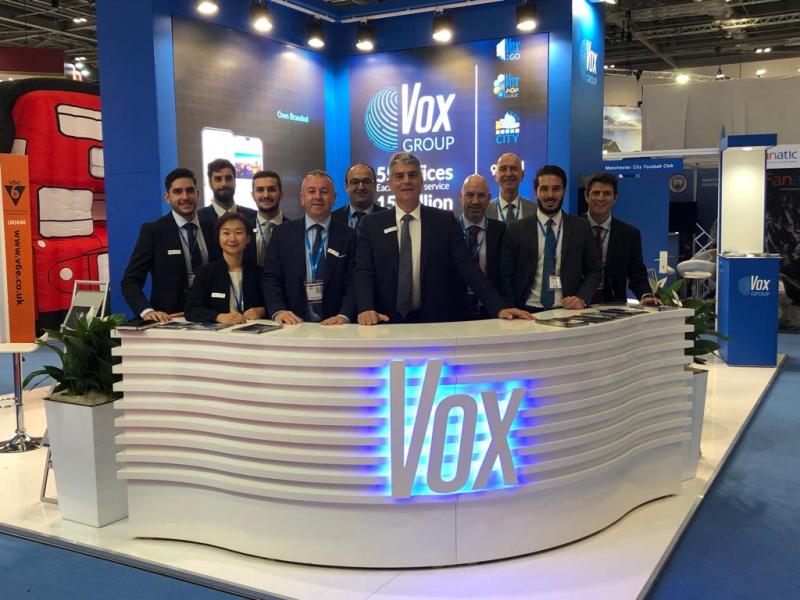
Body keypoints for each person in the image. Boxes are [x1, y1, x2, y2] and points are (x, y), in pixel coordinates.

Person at [355, 152, 532, 325]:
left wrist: (499, 307)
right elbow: (363, 271)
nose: (407, 181)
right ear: (390, 184)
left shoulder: (443, 221)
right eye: (399, 176)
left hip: (433, 324)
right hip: (385, 323)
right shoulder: (371, 225)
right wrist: (365, 307)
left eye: (412, 175)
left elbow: (468, 267)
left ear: (421, 181)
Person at [121, 167, 218, 323]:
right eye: (178, 192)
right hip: (169, 320)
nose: (185, 197)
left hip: (209, 318)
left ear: (197, 194)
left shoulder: (212, 228)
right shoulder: (154, 231)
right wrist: (147, 312)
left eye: (190, 190)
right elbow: (130, 281)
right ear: (167, 197)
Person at [500, 165, 601, 312]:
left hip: (567, 311)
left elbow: (594, 270)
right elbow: (505, 275)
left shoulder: (581, 228)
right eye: (544, 189)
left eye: (556, 189)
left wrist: (582, 298)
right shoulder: (516, 229)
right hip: (526, 312)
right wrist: (511, 308)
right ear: (535, 192)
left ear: (564, 191)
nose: (550, 195)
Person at [261, 170, 356, 325]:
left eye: (324, 191)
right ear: (302, 198)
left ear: (334, 198)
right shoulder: (282, 233)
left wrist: (344, 315)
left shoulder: (349, 235)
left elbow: (354, 280)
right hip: (292, 323)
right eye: (311, 191)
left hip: (336, 325)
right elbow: (271, 277)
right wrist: (279, 311)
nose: (317, 197)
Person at [583, 172, 658, 305]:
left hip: (613, 305)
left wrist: (646, 295)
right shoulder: (572, 228)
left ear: (615, 197)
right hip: (576, 303)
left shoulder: (629, 234)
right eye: (596, 193)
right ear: (586, 196)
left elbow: (637, 274)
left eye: (607, 193)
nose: (601, 198)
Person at [185, 212, 266, 325]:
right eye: (226, 233)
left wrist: (262, 311)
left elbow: (273, 304)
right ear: (218, 238)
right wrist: (218, 316)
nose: (232, 239)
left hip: (252, 330)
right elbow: (191, 310)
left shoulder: (259, 273)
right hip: (218, 333)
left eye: (238, 233)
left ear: (248, 238)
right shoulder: (205, 272)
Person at [456, 174, 505, 319]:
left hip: (491, 311)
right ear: (460, 197)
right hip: (454, 312)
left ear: (489, 199)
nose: (475, 201)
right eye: (470, 195)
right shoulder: (448, 229)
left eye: (481, 195)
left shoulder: (501, 231)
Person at [197, 158, 257, 227]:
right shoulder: (199, 219)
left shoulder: (253, 217)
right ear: (210, 183)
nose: (224, 184)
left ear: (235, 182)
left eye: (228, 178)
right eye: (218, 179)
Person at [247, 170, 289, 267]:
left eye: (272, 189)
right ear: (253, 195)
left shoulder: (295, 231)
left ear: (281, 194)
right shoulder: (244, 229)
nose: (266, 195)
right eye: (260, 190)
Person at [331, 162, 386, 228]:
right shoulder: (332, 219)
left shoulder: (388, 217)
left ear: (375, 185)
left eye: (366, 182)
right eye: (355, 182)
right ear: (346, 186)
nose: (361, 187)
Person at [487, 153, 537, 224]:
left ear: (522, 175)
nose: (508, 174)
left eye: (514, 169)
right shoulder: (484, 210)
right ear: (495, 176)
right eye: (503, 169)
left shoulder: (536, 210)